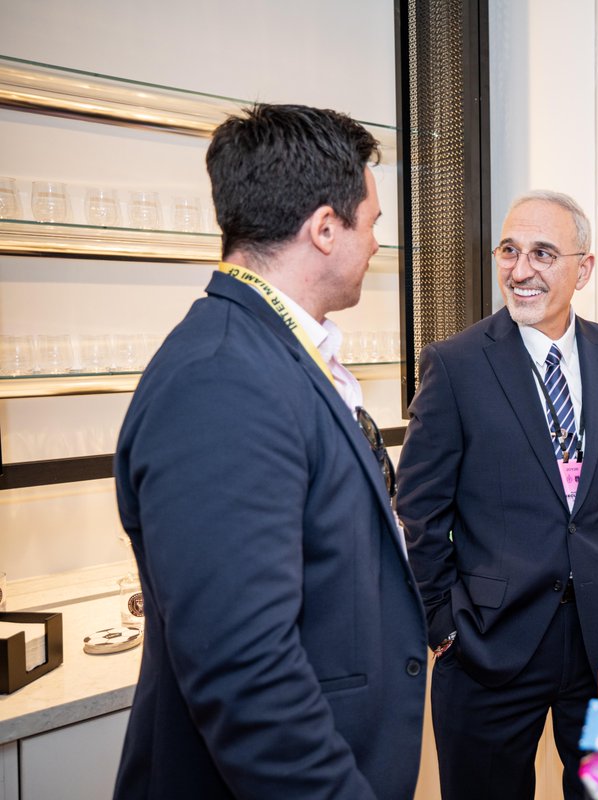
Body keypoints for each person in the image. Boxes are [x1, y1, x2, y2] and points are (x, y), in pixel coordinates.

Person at [112, 103, 427, 798]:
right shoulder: (220, 380)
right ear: (323, 229)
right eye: (371, 223)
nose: (377, 244)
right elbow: (245, 673)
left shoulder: (271, 352)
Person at [395, 189, 598, 800]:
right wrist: (444, 626)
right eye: (509, 251)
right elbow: (418, 510)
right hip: (489, 645)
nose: (520, 271)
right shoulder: (455, 365)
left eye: (543, 254)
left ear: (584, 267)